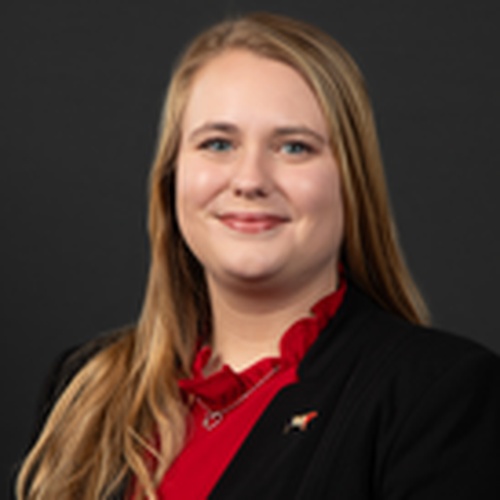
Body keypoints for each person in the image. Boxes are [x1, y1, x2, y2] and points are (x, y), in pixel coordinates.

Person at [16, 11, 500, 500]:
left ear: (352, 181)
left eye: (294, 147)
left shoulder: (435, 394)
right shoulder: (86, 387)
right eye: (217, 144)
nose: (249, 180)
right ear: (171, 175)